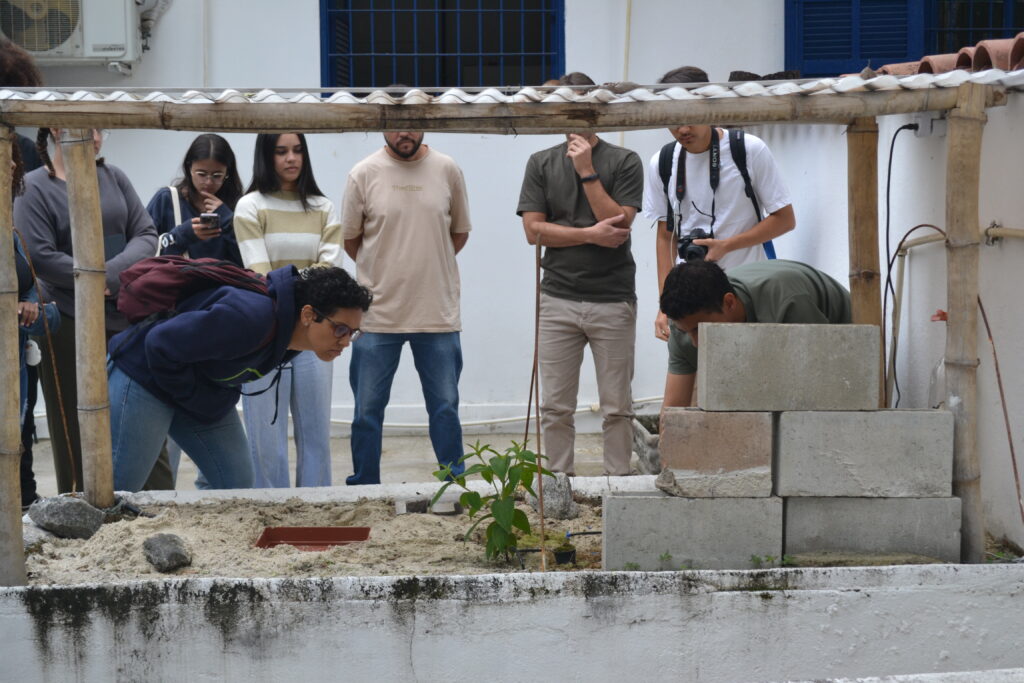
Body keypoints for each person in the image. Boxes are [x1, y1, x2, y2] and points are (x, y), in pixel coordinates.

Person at [107, 265, 371, 492]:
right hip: (144, 374)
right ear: (307, 315)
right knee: (122, 487)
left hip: (193, 387)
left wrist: (202, 399)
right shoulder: (251, 317)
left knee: (238, 483)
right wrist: (196, 398)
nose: (346, 342)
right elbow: (158, 344)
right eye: (340, 329)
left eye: (353, 333)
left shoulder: (291, 335)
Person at [16, 127, 159, 494]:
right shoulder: (33, 187)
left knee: (140, 411)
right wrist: (94, 279)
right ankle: (81, 504)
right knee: (77, 426)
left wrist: (110, 275)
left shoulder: (115, 177)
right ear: (56, 131)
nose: (94, 136)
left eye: (98, 128)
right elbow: (42, 256)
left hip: (125, 314)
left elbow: (145, 234)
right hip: (68, 318)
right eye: (84, 127)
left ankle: (154, 500)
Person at [516, 71, 645, 477]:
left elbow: (620, 227)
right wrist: (590, 234)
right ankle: (557, 486)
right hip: (557, 298)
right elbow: (534, 232)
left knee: (617, 406)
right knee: (554, 405)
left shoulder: (624, 160)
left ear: (594, 110)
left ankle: (618, 482)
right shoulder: (540, 162)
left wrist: (587, 170)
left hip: (612, 298)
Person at [341, 125, 472, 486]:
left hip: (437, 312)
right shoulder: (363, 173)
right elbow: (352, 240)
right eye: (397, 125)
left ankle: (453, 484)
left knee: (445, 408)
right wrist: (382, 271)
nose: (405, 133)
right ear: (383, 126)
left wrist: (428, 261)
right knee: (367, 411)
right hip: (377, 314)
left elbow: (459, 233)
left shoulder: (447, 169)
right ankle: (364, 487)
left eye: (413, 123)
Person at [645, 65, 796, 343]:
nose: (683, 129)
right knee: (693, 382)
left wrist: (727, 245)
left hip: (747, 293)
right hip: (689, 304)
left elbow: (785, 219)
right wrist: (664, 304)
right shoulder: (663, 163)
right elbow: (666, 235)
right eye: (672, 119)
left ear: (709, 105)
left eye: (689, 117)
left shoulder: (748, 150)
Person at [233, 133, 344, 488]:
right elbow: (260, 275)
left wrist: (293, 285)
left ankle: (318, 508)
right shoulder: (249, 206)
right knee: (266, 440)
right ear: (267, 156)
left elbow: (330, 272)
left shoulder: (323, 207)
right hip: (264, 333)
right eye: (281, 152)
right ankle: (269, 509)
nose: (290, 158)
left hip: (315, 335)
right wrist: (305, 286)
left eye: (297, 150)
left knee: (315, 436)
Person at [660, 258, 851, 407]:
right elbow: (673, 410)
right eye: (686, 331)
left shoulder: (786, 303)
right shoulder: (683, 326)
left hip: (842, 342)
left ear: (729, 303)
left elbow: (820, 383)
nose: (695, 342)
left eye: (699, 330)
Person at [147, 133, 244, 264]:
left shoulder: (240, 205)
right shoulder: (167, 199)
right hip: (177, 282)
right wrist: (183, 234)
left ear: (228, 173)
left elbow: (249, 259)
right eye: (201, 174)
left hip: (224, 282)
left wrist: (227, 220)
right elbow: (145, 250)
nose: (208, 182)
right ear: (189, 168)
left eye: (217, 175)